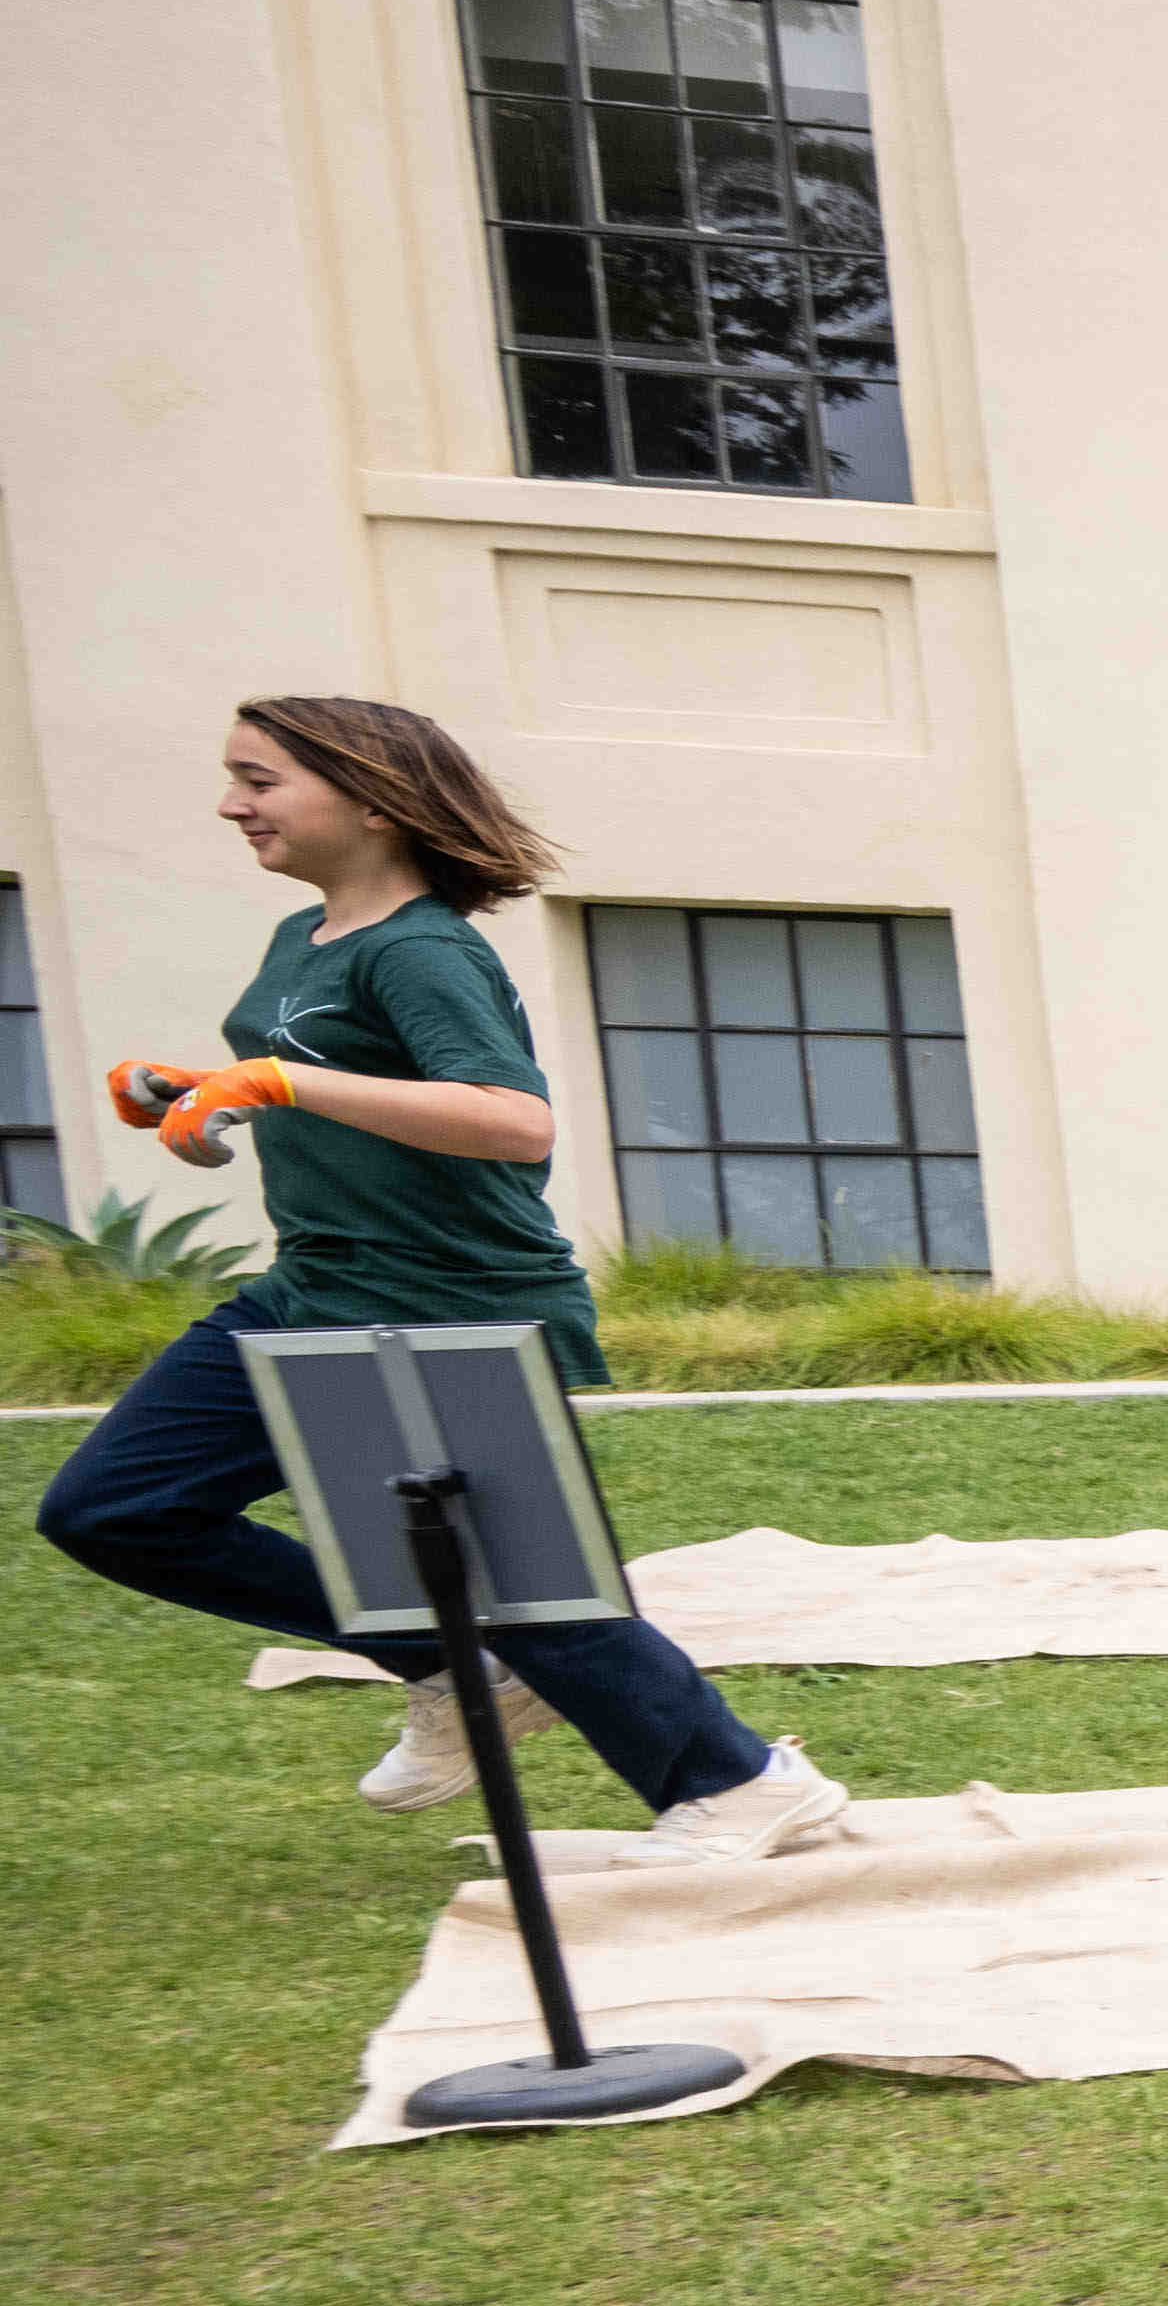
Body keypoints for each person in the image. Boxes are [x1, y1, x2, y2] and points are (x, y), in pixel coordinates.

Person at [32, 697, 844, 1857]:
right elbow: (328, 1071)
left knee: (528, 1587)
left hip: (448, 1302)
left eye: (259, 781)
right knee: (114, 1509)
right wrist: (197, 1083)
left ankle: (743, 1782)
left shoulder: (421, 949)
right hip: (315, 1286)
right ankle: (445, 1662)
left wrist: (273, 1084)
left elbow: (511, 1120)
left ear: (370, 799)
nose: (231, 804)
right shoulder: (308, 938)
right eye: (233, 778)